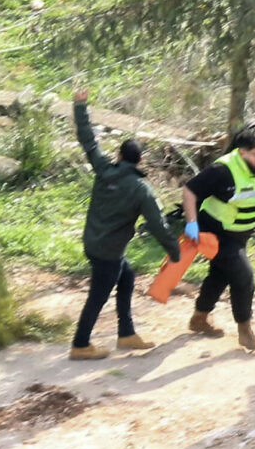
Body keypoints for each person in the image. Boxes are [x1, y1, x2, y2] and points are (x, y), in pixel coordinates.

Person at [67, 88, 182, 360]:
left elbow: (88, 141)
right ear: (140, 160)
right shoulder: (141, 190)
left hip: (93, 243)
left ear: (119, 156)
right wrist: (175, 253)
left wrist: (80, 107)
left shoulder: (105, 169)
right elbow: (156, 225)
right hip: (109, 252)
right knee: (98, 296)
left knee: (127, 277)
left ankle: (126, 334)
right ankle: (80, 344)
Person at [182, 125, 255, 350]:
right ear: (242, 152)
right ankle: (245, 330)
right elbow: (190, 190)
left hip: (239, 235)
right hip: (215, 232)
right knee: (243, 277)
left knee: (220, 275)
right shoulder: (222, 170)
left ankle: (199, 317)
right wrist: (191, 222)